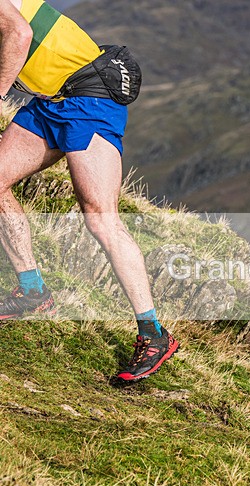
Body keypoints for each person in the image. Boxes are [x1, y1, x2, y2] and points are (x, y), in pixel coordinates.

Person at [0, 0, 178, 382]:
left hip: (90, 97)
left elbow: (19, 33)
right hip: (50, 101)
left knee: (100, 218)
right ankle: (32, 291)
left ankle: (153, 333)